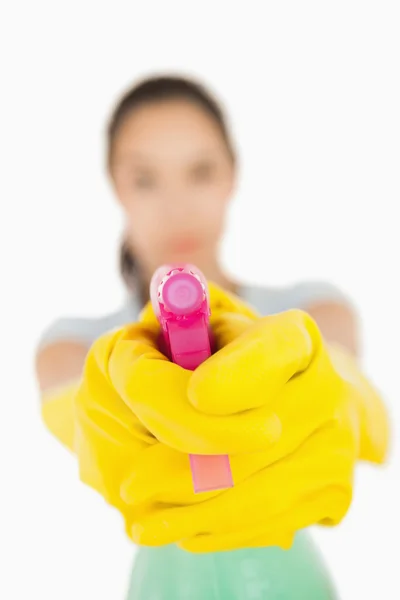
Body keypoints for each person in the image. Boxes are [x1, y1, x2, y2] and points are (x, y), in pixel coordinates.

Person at [36, 75, 389, 599]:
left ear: (231, 176)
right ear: (115, 188)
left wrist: (324, 389)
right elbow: (75, 411)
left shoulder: (313, 312)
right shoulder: (74, 347)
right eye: (146, 179)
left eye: (200, 172)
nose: (178, 206)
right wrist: (113, 406)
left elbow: (346, 386)